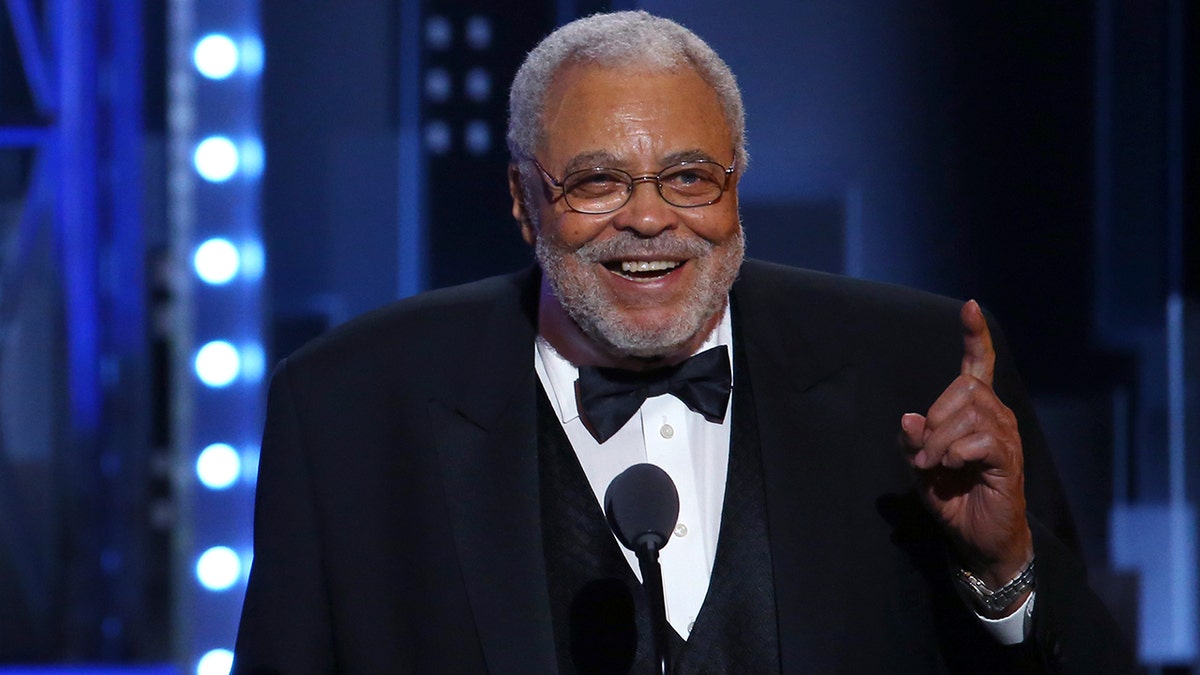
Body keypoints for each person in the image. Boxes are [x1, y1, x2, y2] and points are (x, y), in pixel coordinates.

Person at [233, 10, 1131, 674]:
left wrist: (1004, 573)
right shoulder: (347, 407)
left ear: (737, 184)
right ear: (520, 199)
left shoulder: (924, 366)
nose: (651, 217)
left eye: (690, 176)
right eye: (596, 181)